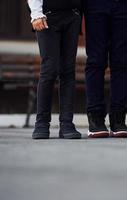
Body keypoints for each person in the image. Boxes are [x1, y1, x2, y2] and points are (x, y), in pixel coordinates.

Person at [28, 0, 82, 139]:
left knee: (68, 71)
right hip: (47, 16)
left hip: (73, 15)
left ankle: (66, 124)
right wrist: (36, 13)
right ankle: (42, 123)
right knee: (49, 70)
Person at [84, 0, 127, 138]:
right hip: (96, 5)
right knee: (96, 60)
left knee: (122, 61)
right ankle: (95, 118)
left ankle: (118, 119)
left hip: (126, 5)